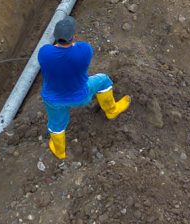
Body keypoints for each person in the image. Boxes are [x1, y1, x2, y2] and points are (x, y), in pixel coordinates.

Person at [37, 14, 130, 160]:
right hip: (81, 96)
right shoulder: (85, 51)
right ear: (74, 37)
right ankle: (111, 110)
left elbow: (55, 52)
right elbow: (74, 50)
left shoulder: (44, 53)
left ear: (55, 36)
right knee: (104, 80)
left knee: (56, 125)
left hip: (54, 100)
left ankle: (59, 151)